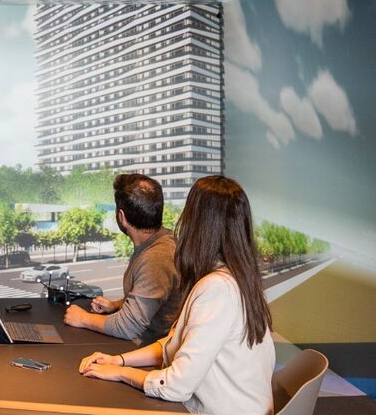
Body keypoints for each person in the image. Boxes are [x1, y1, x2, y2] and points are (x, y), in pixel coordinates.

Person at [77, 175, 276, 415]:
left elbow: (175, 386)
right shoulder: (237, 279)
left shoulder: (218, 289)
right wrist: (118, 360)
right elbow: (176, 343)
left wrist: (121, 373)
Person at [63, 173, 183, 346]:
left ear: (122, 217)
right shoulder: (161, 240)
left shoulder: (156, 258)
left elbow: (128, 327)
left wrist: (83, 318)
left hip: (149, 354)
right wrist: (118, 305)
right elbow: (157, 297)